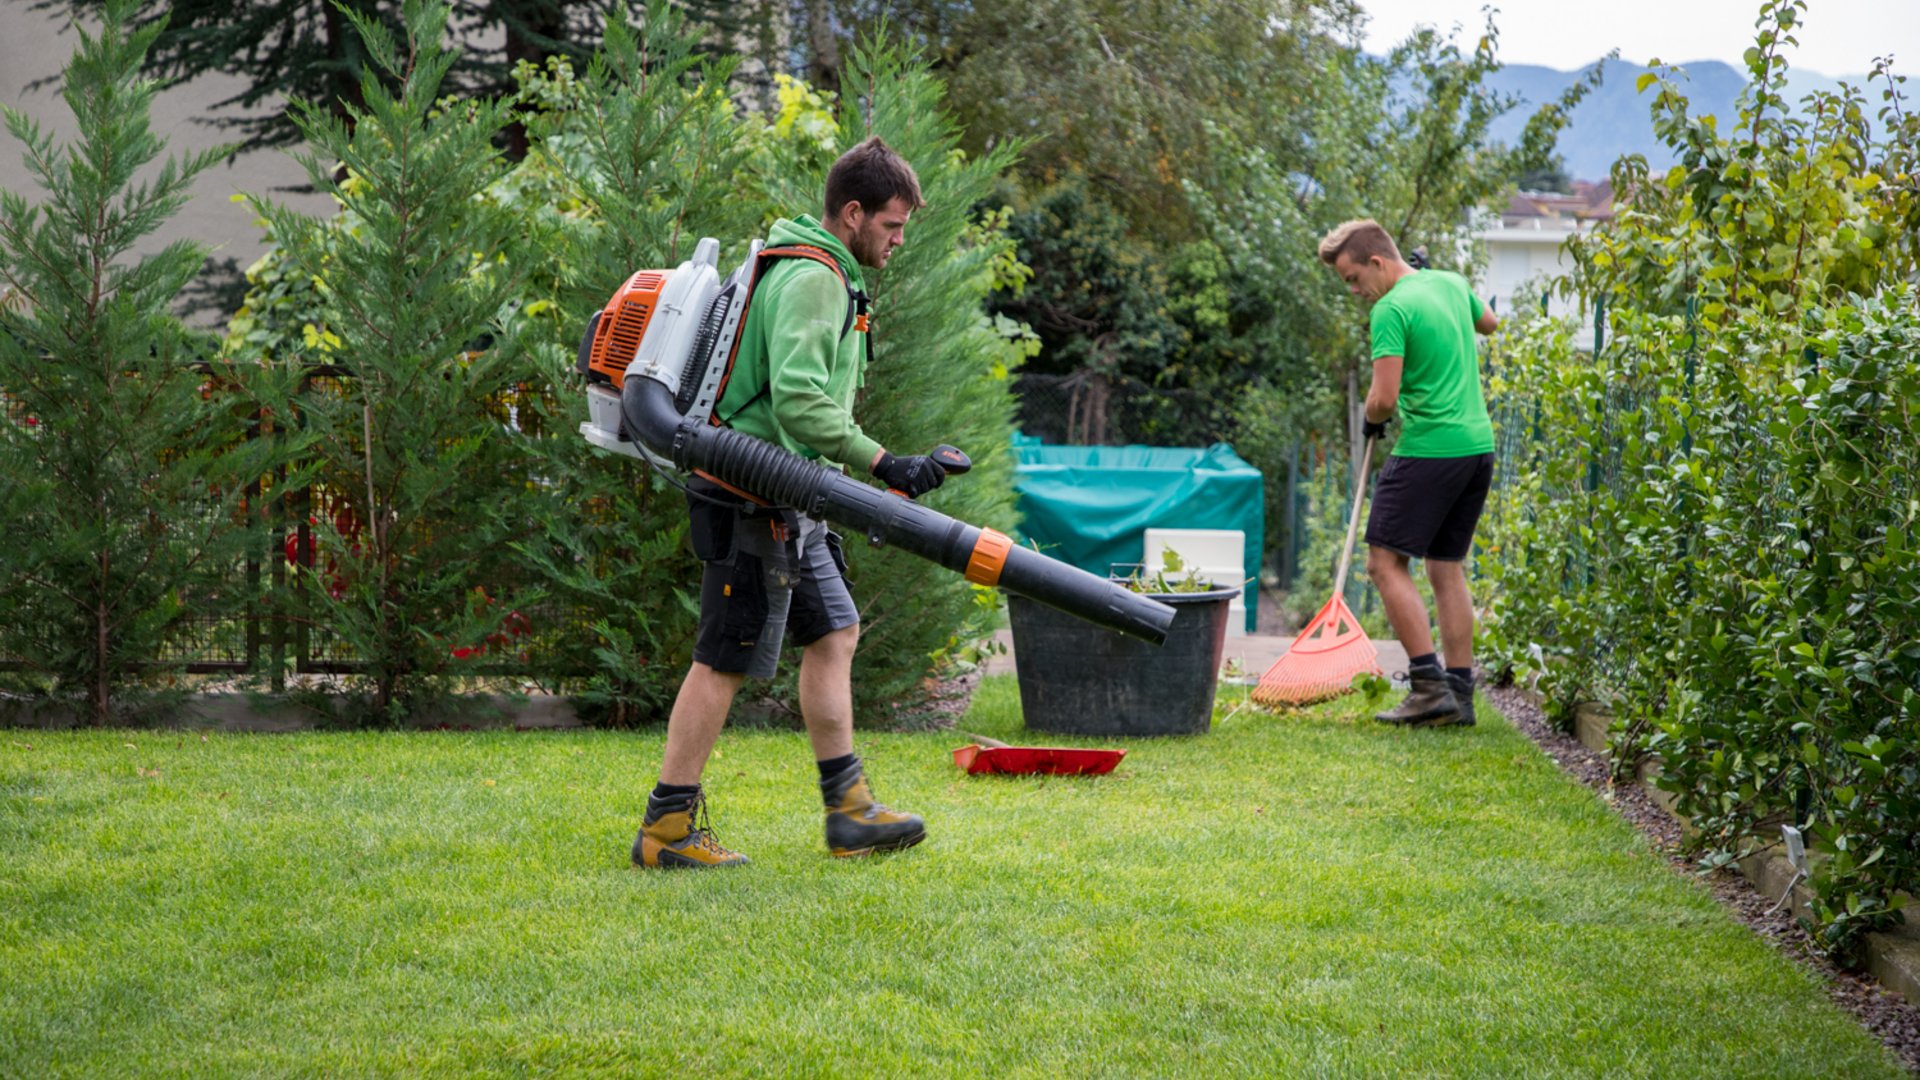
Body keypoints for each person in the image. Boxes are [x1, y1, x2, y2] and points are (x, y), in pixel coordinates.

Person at [634, 137, 949, 868]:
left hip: (791, 497)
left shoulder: (817, 268)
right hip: (751, 494)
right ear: (851, 214)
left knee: (835, 632)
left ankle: (850, 813)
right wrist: (885, 462)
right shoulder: (815, 280)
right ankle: (666, 831)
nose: (899, 240)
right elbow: (803, 402)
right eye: (892, 226)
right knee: (723, 659)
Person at [1317, 219, 1498, 728]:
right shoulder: (1448, 283)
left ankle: (1427, 686)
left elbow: (1384, 397)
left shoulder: (1390, 309)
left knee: (1383, 564)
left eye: (1354, 278)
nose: (1355, 291)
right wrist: (1432, 281)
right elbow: (1489, 324)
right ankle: (1459, 696)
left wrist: (1370, 417)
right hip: (1476, 447)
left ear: (1377, 262)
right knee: (1445, 566)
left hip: (1430, 449)